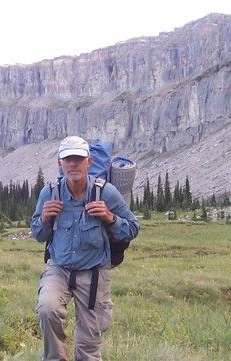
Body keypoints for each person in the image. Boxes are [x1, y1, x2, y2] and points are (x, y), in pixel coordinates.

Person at [31, 136, 140, 361]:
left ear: (88, 162)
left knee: (89, 340)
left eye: (78, 159)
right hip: (58, 268)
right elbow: (38, 235)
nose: (73, 164)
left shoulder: (106, 192)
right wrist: (44, 219)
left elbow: (132, 228)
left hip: (93, 273)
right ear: (60, 163)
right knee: (47, 308)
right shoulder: (49, 193)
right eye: (68, 159)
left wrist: (110, 218)